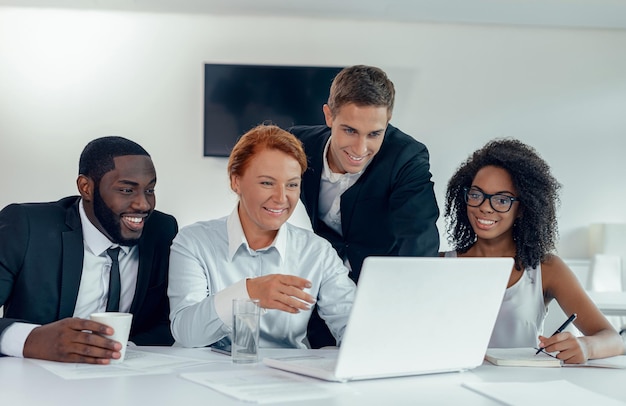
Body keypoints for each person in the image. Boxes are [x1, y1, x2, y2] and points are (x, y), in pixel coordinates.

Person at [289, 64, 440, 347]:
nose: (360, 149)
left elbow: (418, 236)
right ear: (328, 115)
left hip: (383, 294)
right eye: (349, 130)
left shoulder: (406, 157)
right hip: (320, 292)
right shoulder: (298, 145)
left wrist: (413, 311)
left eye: (374, 134)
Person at [168, 124, 356, 349]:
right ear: (235, 181)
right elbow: (187, 334)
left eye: (292, 185)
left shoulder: (316, 252)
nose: (281, 197)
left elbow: (354, 325)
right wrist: (248, 292)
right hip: (203, 378)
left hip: (285, 380)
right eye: (267, 183)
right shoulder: (193, 242)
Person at [443, 138, 624, 364]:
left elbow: (614, 340)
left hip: (521, 392)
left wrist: (586, 346)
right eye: (476, 194)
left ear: (523, 208)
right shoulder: (439, 264)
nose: (484, 207)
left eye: (502, 200)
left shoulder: (547, 269)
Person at [0, 136, 178, 364]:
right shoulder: (26, 227)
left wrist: (117, 349)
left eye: (150, 190)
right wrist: (31, 340)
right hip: (33, 382)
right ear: (86, 188)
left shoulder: (161, 231)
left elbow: (168, 321)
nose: (143, 204)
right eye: (126, 190)